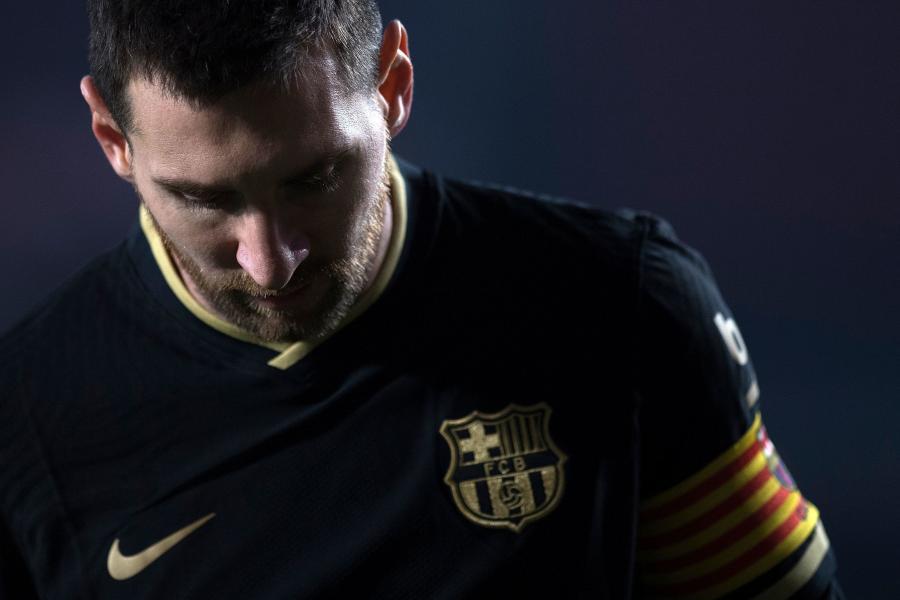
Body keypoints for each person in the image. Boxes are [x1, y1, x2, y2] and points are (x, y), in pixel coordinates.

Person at [0, 1, 845, 598]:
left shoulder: (624, 306)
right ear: (112, 139)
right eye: (205, 200)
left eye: (313, 179)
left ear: (393, 85)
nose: (270, 262)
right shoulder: (25, 425)